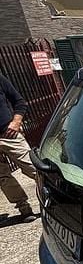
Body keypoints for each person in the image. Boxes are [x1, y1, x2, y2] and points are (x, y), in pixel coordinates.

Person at [0, 74, 37, 222]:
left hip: (9, 134)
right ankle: (24, 209)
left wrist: (16, 122)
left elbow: (20, 102)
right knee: (3, 178)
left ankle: (58, 201)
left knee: (34, 168)